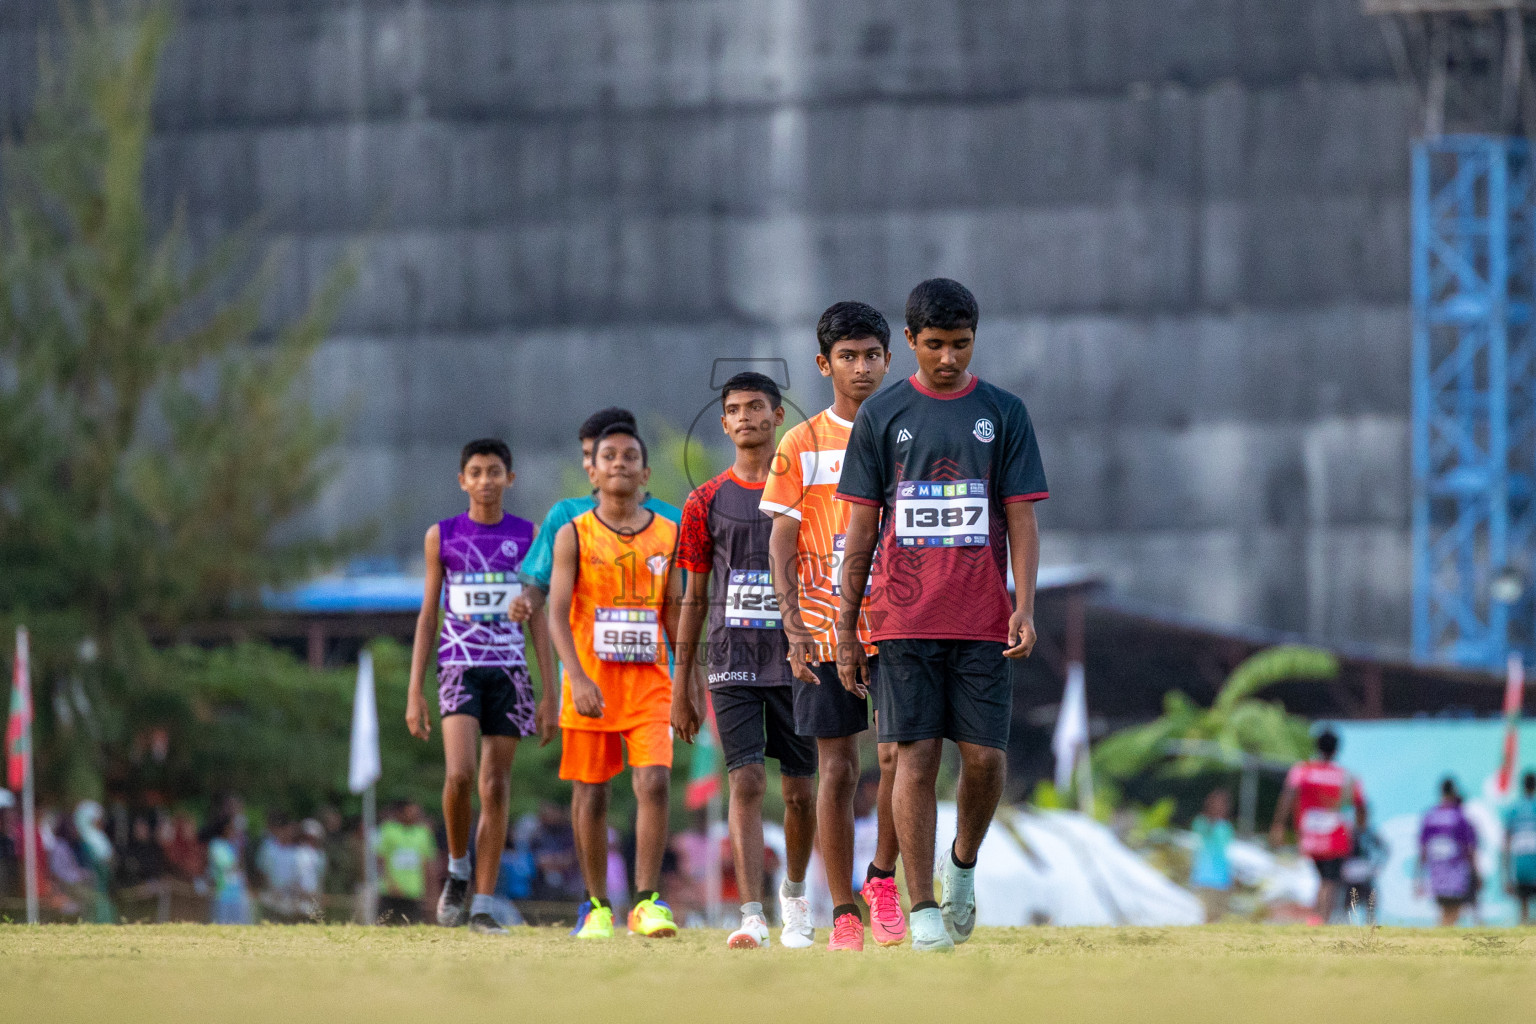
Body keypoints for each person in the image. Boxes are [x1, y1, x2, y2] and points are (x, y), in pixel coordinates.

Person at [834, 278, 1049, 952]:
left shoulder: (1004, 412)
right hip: (901, 621)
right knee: (915, 758)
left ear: (974, 339)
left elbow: (1020, 517)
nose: (949, 357)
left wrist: (1025, 604)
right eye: (935, 345)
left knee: (984, 762)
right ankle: (921, 907)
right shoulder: (882, 416)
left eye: (960, 344)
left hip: (985, 619)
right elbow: (861, 532)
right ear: (910, 342)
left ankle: (961, 866)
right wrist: (846, 627)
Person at [761, 300, 905, 951]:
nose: (861, 367)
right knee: (839, 770)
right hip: (822, 629)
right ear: (825, 364)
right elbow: (780, 546)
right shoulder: (800, 443)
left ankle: (883, 881)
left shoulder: (908, 432)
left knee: (904, 757)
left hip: (902, 621)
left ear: (888, 358)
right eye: (847, 356)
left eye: (872, 354)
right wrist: (792, 625)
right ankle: (843, 910)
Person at [672, 371, 817, 950]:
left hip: (801, 660)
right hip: (731, 661)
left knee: (803, 791)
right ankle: (752, 914)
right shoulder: (705, 500)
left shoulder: (807, 492)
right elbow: (695, 595)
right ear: (725, 422)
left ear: (778, 416)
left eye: (757, 406)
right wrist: (684, 681)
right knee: (748, 780)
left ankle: (797, 899)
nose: (746, 417)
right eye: (735, 409)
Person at [405, 437, 556, 935]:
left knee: (496, 785)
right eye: (476, 472)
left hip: (511, 672)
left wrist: (549, 691)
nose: (486, 480)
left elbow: (538, 617)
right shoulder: (441, 536)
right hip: (459, 666)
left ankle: (485, 905)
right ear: (462, 480)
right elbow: (429, 616)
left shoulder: (529, 535)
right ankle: (457, 868)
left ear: (509, 479)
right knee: (461, 774)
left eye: (495, 471)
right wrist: (414, 690)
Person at [547, 423, 684, 940]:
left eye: (630, 456)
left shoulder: (667, 534)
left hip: (650, 682)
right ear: (593, 469)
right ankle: (596, 905)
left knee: (653, 780)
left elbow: (675, 613)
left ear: (646, 473)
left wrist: (688, 680)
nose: (620, 463)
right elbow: (557, 614)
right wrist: (575, 677)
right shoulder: (574, 533)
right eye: (609, 456)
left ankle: (648, 902)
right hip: (591, 684)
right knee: (592, 792)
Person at [1269, 728, 1367, 925]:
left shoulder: (1303, 770)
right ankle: (1321, 919)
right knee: (1329, 880)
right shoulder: (1346, 776)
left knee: (1320, 878)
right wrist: (1361, 826)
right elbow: (1360, 805)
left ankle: (1317, 918)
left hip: (1309, 836)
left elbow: (1287, 796)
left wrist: (1278, 825)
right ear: (1336, 750)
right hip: (1335, 837)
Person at [1419, 778, 1479, 926]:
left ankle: (1440, 939)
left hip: (1437, 871)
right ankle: (1442, 942)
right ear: (1454, 792)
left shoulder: (1430, 816)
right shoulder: (1459, 817)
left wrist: (1419, 876)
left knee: (1443, 910)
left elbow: (1423, 848)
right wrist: (1475, 871)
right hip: (1456, 870)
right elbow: (1468, 848)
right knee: (1454, 910)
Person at [376, 801, 438, 925]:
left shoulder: (423, 833)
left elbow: (427, 863)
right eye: (410, 811)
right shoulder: (388, 830)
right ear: (400, 813)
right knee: (386, 925)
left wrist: (430, 890)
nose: (414, 815)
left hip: (414, 891)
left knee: (412, 926)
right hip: (390, 892)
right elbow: (380, 860)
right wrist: (390, 883)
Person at [1189, 789, 1235, 921]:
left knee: (1217, 917)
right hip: (1204, 879)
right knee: (1204, 916)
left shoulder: (1226, 827)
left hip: (1222, 879)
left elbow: (1227, 854)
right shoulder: (1200, 823)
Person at [205, 814, 253, 925]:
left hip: (237, 894)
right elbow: (224, 865)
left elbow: (238, 868)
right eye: (231, 828)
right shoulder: (216, 845)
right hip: (222, 894)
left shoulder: (232, 845)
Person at [1504, 771, 1536, 924]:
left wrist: (1506, 875)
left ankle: (1525, 941)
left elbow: (1506, 842)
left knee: (1523, 909)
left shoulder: (1514, 809)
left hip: (1520, 866)